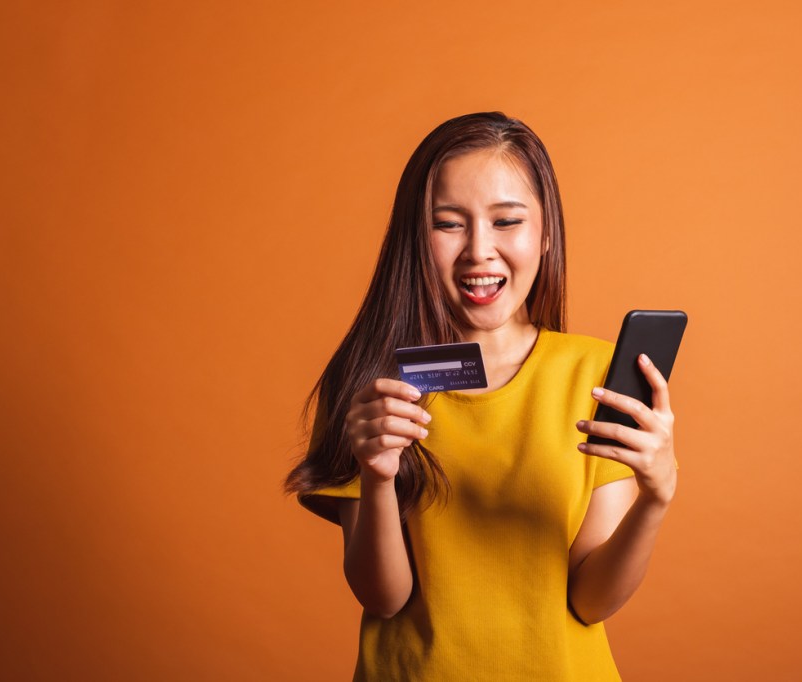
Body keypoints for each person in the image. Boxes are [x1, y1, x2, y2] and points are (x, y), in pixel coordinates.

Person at [284, 111, 679, 681]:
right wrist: (375, 474)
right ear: (415, 238)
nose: (479, 251)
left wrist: (655, 497)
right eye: (449, 224)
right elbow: (384, 598)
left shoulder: (597, 372)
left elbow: (590, 602)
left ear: (545, 235)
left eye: (506, 221)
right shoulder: (375, 381)